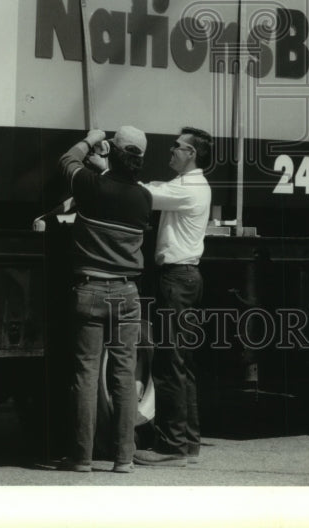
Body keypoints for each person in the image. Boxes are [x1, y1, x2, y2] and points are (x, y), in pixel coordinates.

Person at [33, 125, 152, 474]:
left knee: (85, 375)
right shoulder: (143, 198)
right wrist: (106, 164)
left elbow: (66, 160)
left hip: (90, 290)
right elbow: (120, 187)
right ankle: (124, 458)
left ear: (111, 152)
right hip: (127, 294)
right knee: (124, 375)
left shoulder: (89, 185)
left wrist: (91, 138)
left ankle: (82, 458)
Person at [133, 126, 213, 467]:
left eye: (178, 147)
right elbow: (155, 189)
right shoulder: (190, 185)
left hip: (176, 279)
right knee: (182, 364)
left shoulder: (188, 187)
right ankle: (187, 442)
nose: (171, 150)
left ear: (191, 154)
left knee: (168, 364)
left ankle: (170, 446)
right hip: (186, 278)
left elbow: (147, 194)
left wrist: (109, 173)